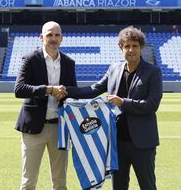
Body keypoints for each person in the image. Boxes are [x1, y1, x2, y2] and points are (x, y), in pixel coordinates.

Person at [66, 26, 163, 190]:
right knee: (118, 186)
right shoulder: (114, 69)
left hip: (143, 143)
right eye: (127, 46)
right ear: (121, 48)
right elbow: (95, 89)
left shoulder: (153, 72)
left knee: (147, 186)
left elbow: (152, 105)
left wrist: (123, 102)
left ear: (141, 48)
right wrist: (67, 91)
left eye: (135, 46)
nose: (131, 50)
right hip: (116, 142)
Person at [14, 21, 76, 190]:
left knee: (60, 183)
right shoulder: (30, 58)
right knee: (28, 182)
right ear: (42, 37)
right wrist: (48, 90)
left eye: (57, 35)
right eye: (49, 35)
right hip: (33, 128)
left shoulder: (69, 62)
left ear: (62, 38)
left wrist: (67, 93)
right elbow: (19, 89)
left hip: (60, 128)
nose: (53, 38)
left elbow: (73, 93)